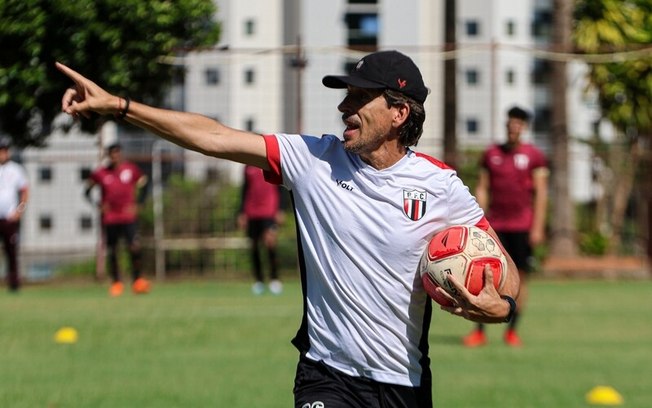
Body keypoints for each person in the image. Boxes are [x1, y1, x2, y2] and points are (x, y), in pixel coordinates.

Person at [57, 50, 520, 408]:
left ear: (400, 113)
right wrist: (119, 106)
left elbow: (506, 269)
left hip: (403, 384)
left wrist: (501, 306)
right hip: (326, 374)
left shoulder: (442, 186)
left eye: (359, 97)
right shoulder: (313, 159)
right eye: (345, 95)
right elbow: (212, 136)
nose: (344, 107)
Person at [463, 106, 549, 348]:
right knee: (483, 275)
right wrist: (478, 220)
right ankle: (479, 331)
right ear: (507, 125)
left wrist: (538, 227)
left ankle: (511, 331)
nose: (514, 127)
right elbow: (482, 187)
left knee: (520, 278)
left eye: (519, 123)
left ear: (524, 128)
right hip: (495, 226)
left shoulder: (534, 156)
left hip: (522, 227)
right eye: (511, 122)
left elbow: (541, 193)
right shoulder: (491, 154)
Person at [85, 142, 150, 297]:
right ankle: (116, 282)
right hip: (110, 218)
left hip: (128, 216)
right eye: (112, 154)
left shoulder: (131, 170)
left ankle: (137, 280)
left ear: (121, 154)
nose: (115, 156)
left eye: (117, 153)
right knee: (113, 250)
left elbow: (145, 184)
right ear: (109, 156)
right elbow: (86, 191)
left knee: (134, 246)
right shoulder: (101, 173)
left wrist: (139, 203)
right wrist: (99, 206)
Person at [237, 164, 286, 295]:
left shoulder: (270, 163)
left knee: (270, 243)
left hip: (269, 210)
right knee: (254, 245)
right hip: (252, 211)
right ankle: (258, 280)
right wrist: (242, 212)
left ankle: (274, 278)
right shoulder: (247, 165)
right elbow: (244, 189)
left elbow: (281, 186)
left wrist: (281, 208)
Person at [0, 136, 29, 292]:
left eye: (4, 151)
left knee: (11, 252)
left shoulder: (16, 169)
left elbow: (24, 191)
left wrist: (20, 210)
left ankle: (14, 283)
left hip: (9, 217)